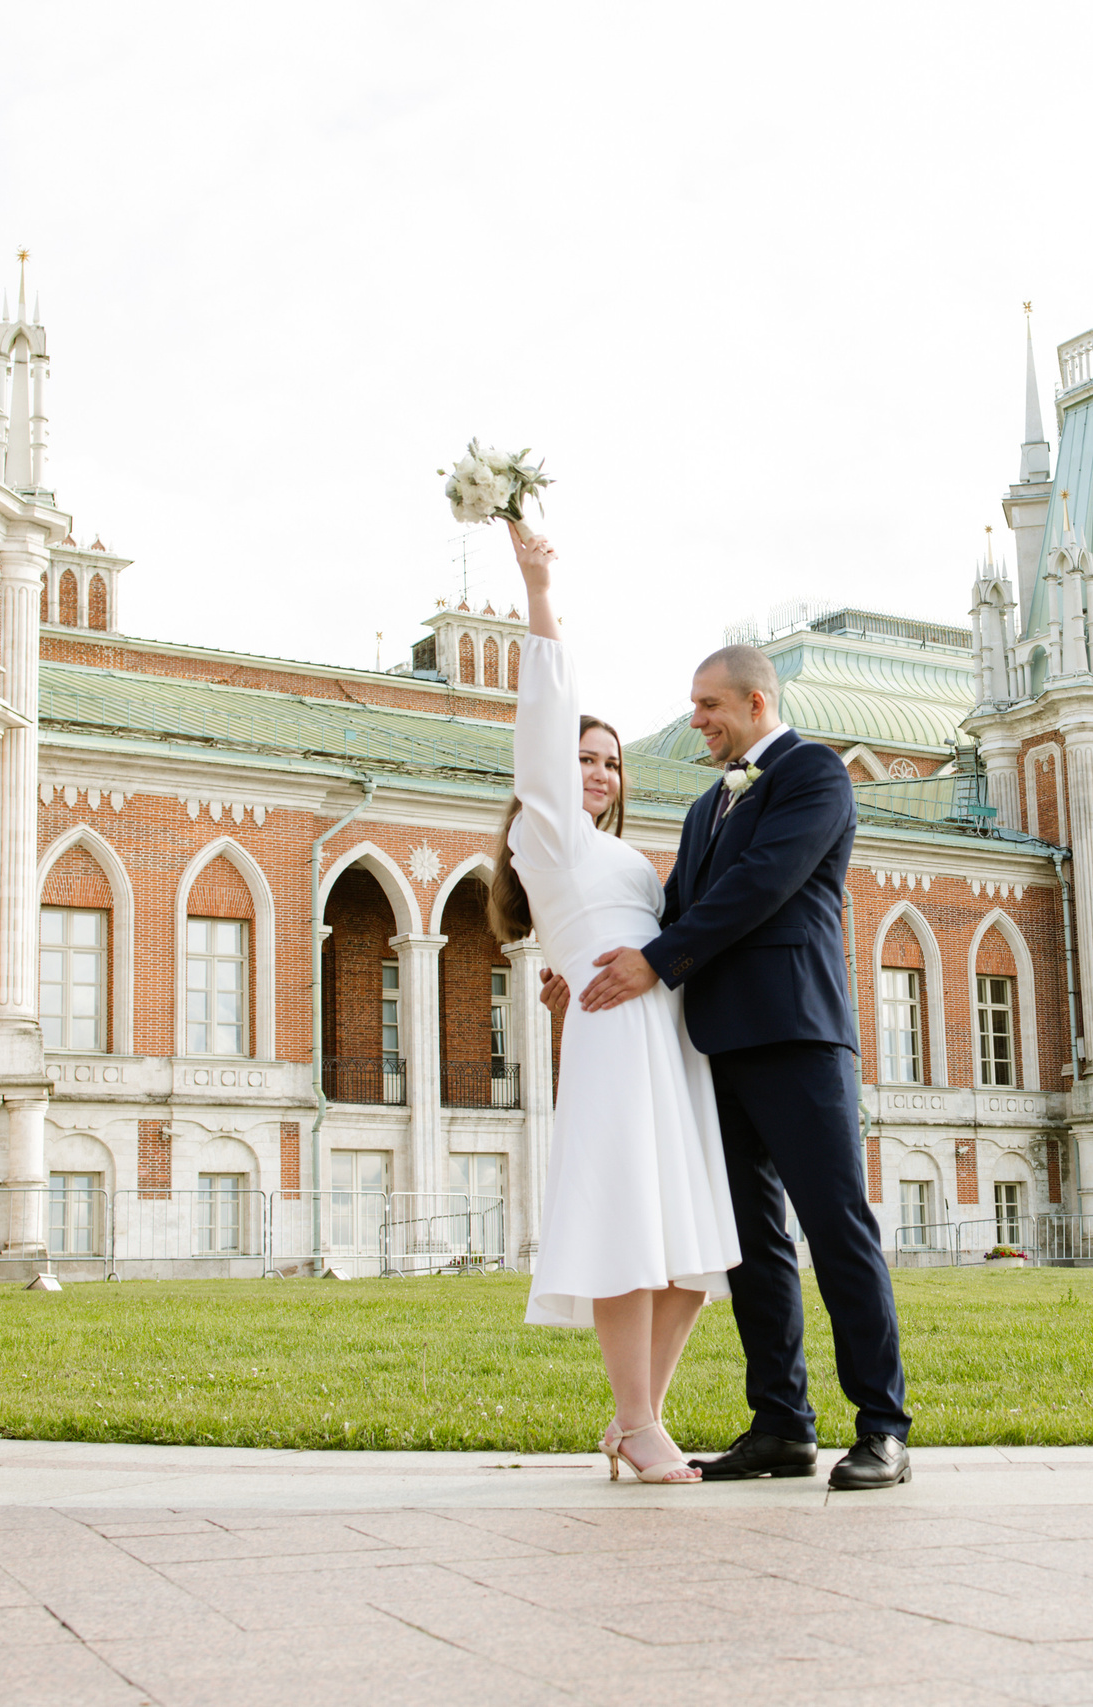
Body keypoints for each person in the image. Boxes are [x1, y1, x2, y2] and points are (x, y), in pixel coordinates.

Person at [561, 637, 913, 1490]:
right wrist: (581, 969)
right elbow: (673, 910)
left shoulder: (815, 775)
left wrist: (657, 960)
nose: (697, 720)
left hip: (797, 1035)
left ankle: (884, 1427)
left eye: (708, 705)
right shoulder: (702, 808)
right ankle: (783, 1425)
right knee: (750, 1244)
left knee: (836, 1228)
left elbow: (761, 883)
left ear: (755, 703)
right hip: (715, 1044)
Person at [491, 523, 739, 1484]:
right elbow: (542, 720)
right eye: (584, 758)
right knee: (632, 1235)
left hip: (671, 1048)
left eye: (610, 762)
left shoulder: (626, 856)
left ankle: (641, 1418)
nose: (597, 771)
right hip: (609, 1046)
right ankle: (637, 1423)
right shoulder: (545, 840)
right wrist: (540, 587)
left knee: (690, 1259)